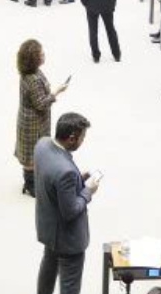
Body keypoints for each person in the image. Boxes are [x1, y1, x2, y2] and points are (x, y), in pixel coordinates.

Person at [34, 112, 97, 294]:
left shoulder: (42, 145)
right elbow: (70, 211)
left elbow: (52, 182)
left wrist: (78, 180)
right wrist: (87, 191)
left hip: (48, 229)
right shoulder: (65, 172)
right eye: (82, 137)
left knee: (48, 268)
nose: (83, 141)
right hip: (68, 240)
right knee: (70, 285)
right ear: (71, 138)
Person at [15, 39, 68, 197]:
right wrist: (56, 92)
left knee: (34, 152)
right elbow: (41, 104)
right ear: (34, 59)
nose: (44, 55)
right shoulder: (33, 79)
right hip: (33, 124)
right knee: (32, 155)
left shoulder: (31, 73)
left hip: (32, 121)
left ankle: (32, 180)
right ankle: (31, 185)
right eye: (41, 54)